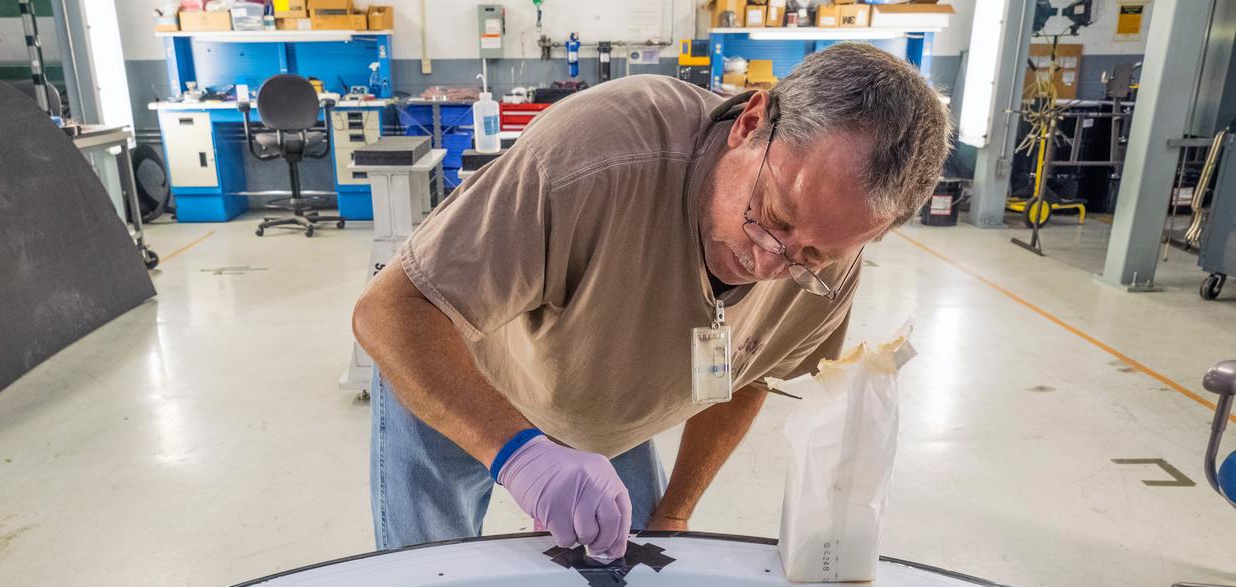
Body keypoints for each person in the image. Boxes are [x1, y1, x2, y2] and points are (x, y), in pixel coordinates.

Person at [353, 42, 950, 560]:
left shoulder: (830, 261)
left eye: (812, 257)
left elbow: (748, 375)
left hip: (601, 403)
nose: (770, 263)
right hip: (457, 370)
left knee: (635, 583)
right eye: (771, 217)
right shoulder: (592, 161)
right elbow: (392, 310)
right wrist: (520, 455)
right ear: (750, 124)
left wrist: (676, 512)